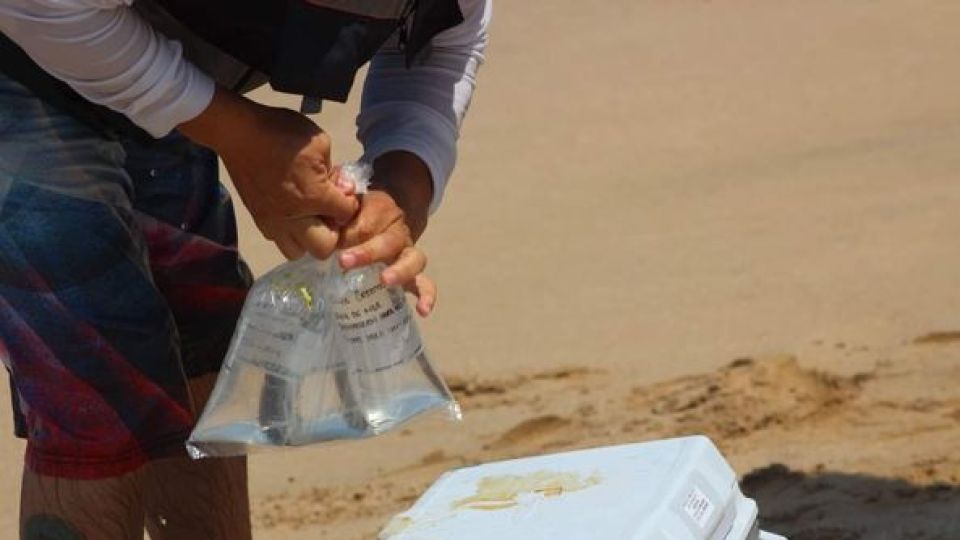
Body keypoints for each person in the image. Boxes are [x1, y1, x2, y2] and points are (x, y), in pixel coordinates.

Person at [0, 0, 490, 537]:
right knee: (94, 382)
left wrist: (402, 190)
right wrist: (240, 133)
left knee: (200, 335)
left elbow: (445, 40)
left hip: (145, 39)